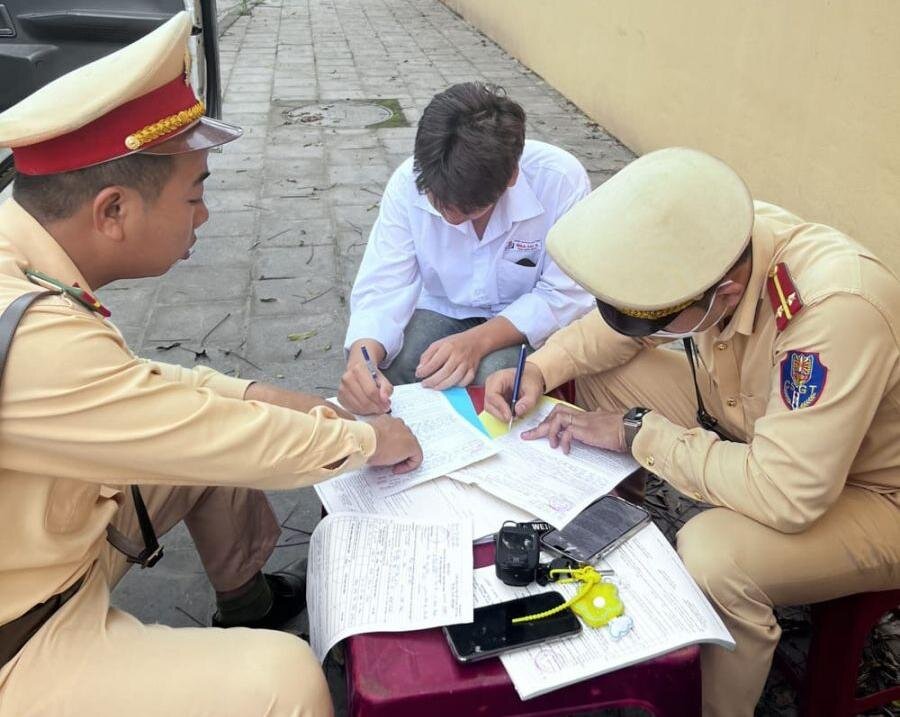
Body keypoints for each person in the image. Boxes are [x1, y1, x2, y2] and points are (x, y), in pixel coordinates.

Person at [0, 14, 422, 717]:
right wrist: (366, 440)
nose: (204, 216)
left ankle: (247, 602)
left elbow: (144, 396)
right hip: (22, 636)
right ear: (112, 211)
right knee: (286, 681)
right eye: (194, 194)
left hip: (46, 543)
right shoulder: (36, 338)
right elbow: (185, 422)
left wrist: (264, 394)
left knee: (227, 422)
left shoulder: (23, 254)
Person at [483, 147, 900, 716]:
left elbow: (788, 493)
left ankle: (715, 703)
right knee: (609, 376)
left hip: (872, 492)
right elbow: (621, 329)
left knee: (714, 556)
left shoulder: (833, 309)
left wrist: (638, 433)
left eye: (659, 315)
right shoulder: (718, 238)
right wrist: (540, 368)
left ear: (724, 291)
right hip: (767, 425)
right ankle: (622, 549)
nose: (644, 322)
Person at [339, 82, 594, 415]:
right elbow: (384, 285)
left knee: (495, 383)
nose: (451, 217)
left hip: (523, 322)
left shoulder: (560, 180)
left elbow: (565, 295)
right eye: (439, 203)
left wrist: (477, 342)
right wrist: (362, 360)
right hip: (445, 307)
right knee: (397, 369)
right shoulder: (407, 183)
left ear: (511, 176)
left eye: (470, 210)